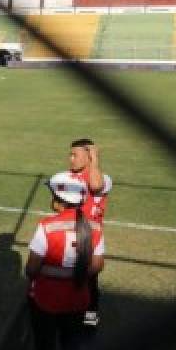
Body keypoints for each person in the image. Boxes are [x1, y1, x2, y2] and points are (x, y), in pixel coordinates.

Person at [24, 172, 106, 350]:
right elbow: (98, 265)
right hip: (78, 300)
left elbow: (31, 267)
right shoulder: (94, 227)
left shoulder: (46, 225)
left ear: (59, 198)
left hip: (45, 301)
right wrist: (75, 275)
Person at [67, 138, 111, 328]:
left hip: (90, 239)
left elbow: (95, 186)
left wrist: (95, 161)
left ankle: (90, 321)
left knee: (90, 283)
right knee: (68, 280)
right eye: (70, 154)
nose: (70, 159)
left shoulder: (103, 178)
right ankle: (71, 314)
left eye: (75, 155)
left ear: (89, 155)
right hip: (68, 237)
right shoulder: (67, 176)